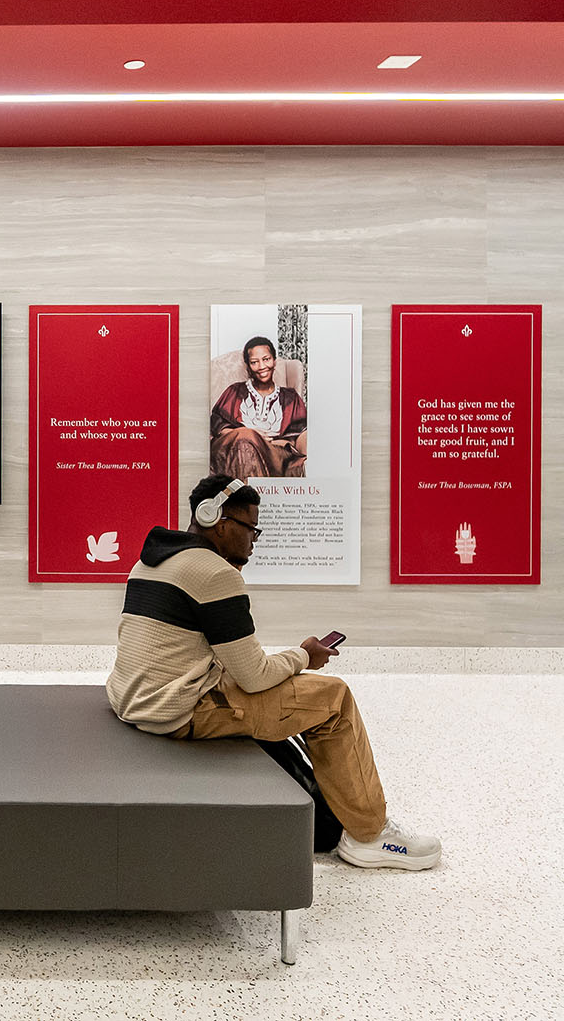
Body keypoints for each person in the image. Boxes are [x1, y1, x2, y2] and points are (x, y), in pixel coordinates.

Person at [106, 474, 440, 870]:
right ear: (218, 519)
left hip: (133, 698)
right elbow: (255, 677)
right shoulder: (216, 575)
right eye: (250, 528)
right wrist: (303, 655)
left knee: (293, 685)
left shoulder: (150, 562)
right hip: (177, 710)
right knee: (334, 699)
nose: (253, 539)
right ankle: (369, 835)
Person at [210, 335, 306, 478]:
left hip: (274, 454)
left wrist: (264, 443)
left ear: (274, 361)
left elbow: (299, 433)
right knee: (245, 439)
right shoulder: (235, 392)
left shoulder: (290, 398)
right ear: (248, 366)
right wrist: (249, 434)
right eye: (254, 362)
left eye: (266, 359)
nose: (261, 367)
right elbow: (218, 426)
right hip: (235, 450)